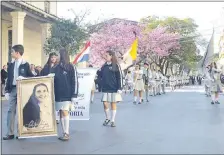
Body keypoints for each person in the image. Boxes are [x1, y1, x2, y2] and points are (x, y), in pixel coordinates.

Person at [3, 44, 34, 140]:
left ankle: (21, 132)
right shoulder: (11, 64)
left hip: (22, 90)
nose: (11, 53)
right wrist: (7, 91)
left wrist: (23, 78)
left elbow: (31, 77)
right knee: (10, 111)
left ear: (17, 53)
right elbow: (9, 78)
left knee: (21, 111)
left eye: (12, 51)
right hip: (12, 89)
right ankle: (10, 133)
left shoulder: (25, 64)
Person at [53, 49, 78, 141]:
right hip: (58, 94)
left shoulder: (71, 67)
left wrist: (74, 95)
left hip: (67, 94)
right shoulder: (56, 67)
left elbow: (75, 81)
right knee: (60, 112)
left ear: (62, 55)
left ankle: (67, 133)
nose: (56, 57)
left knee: (65, 111)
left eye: (58, 55)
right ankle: (64, 132)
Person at [99, 50, 123, 127]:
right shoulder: (104, 66)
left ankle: (112, 120)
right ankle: (108, 118)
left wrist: (120, 88)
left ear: (111, 56)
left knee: (113, 104)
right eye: (105, 56)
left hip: (114, 88)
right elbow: (100, 75)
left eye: (107, 55)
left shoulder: (116, 65)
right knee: (105, 103)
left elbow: (119, 77)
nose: (105, 57)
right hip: (106, 88)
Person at [40, 52, 59, 124]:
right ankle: (48, 117)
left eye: (54, 57)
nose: (53, 58)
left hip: (56, 87)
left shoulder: (59, 66)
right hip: (47, 87)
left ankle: (56, 118)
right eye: (52, 57)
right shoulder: (46, 66)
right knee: (48, 102)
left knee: (56, 102)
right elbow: (41, 75)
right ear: (50, 58)